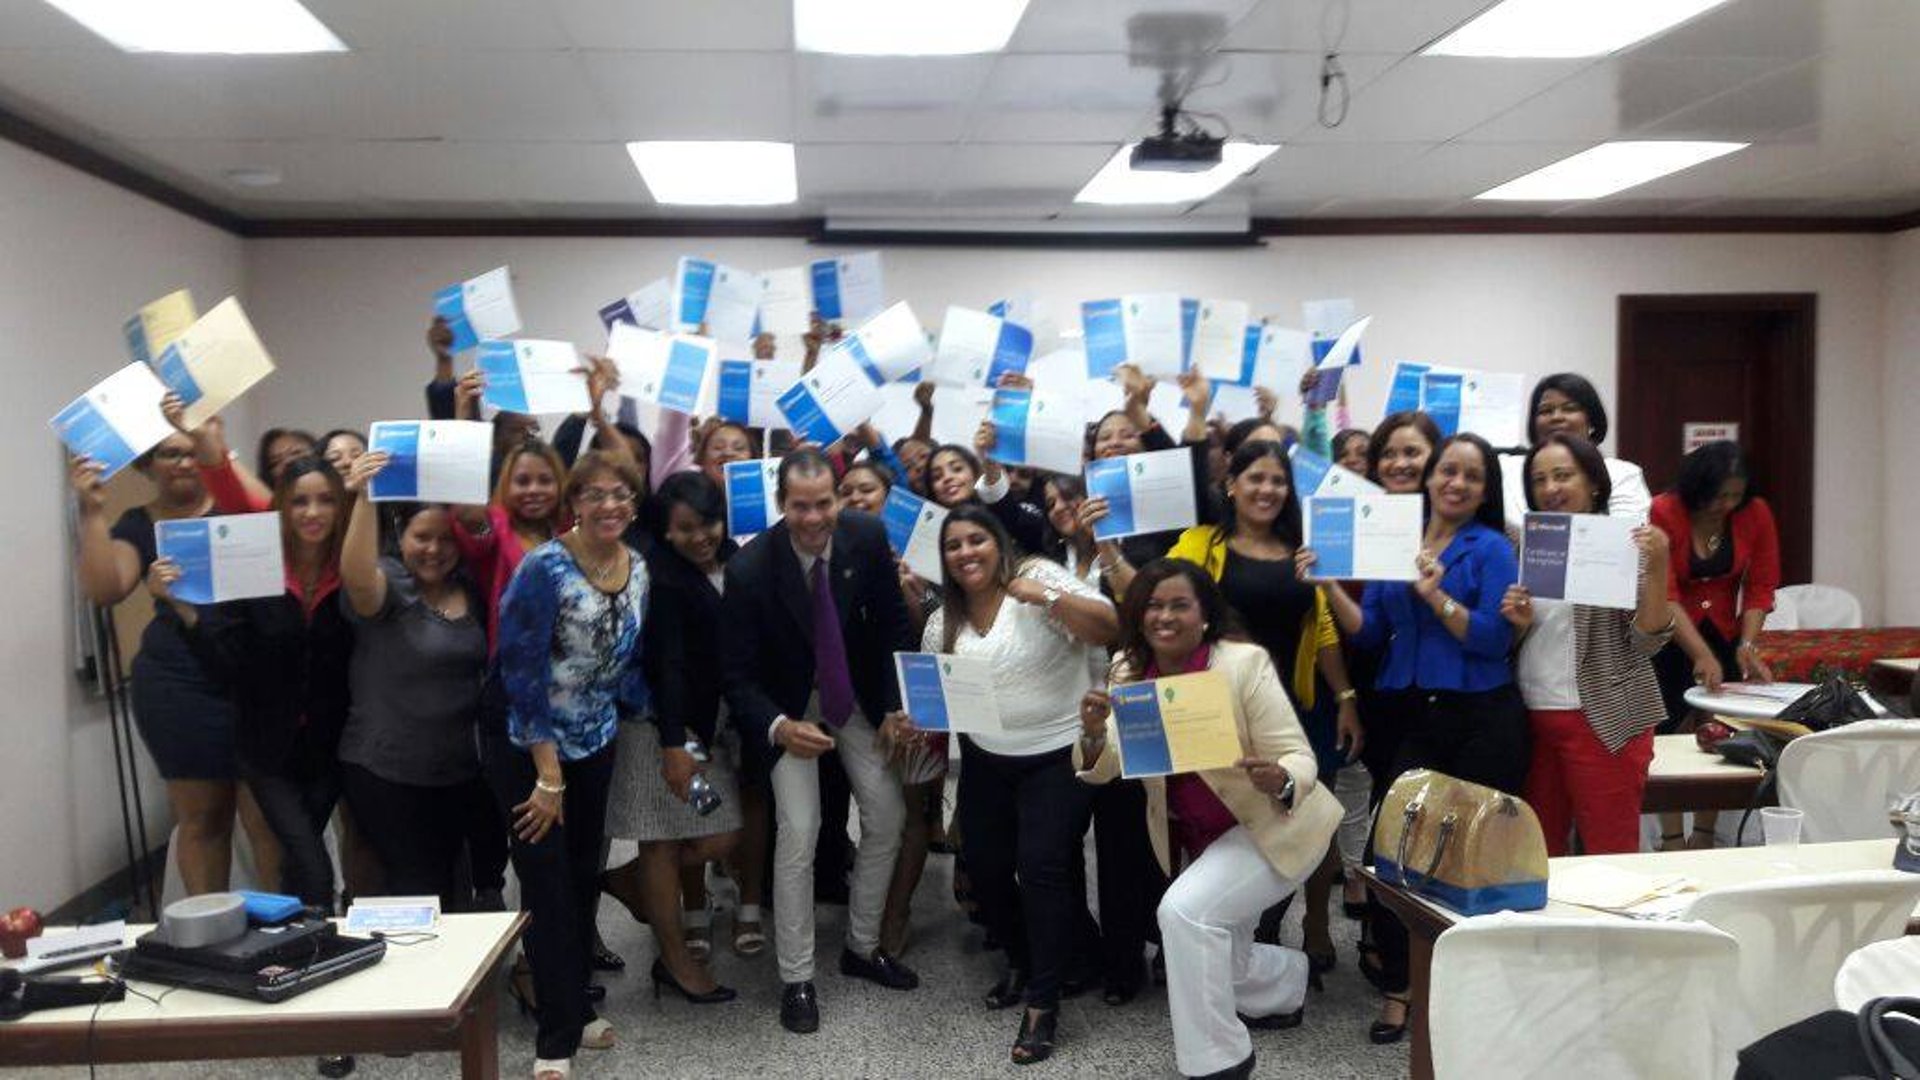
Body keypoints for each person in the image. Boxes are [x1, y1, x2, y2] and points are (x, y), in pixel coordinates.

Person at [1076, 560, 1341, 1080]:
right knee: (1218, 954)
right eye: (1153, 605)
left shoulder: (1241, 663)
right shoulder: (1129, 671)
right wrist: (1090, 733)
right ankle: (1288, 982)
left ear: (1204, 616)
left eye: (1180, 604)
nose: (1165, 616)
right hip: (1204, 839)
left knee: (1182, 915)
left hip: (1272, 828)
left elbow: (1299, 757)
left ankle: (1219, 1062)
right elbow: (1107, 763)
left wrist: (1281, 777)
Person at [1306, 431, 1525, 1045]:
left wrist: (1436, 596)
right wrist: (1326, 584)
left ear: (1485, 491)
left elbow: (1490, 639)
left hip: (1482, 714)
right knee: (1391, 851)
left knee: (1474, 857)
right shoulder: (1396, 538)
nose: (1455, 483)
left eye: (1471, 477)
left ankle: (1470, 990)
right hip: (1418, 714)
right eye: (1447, 471)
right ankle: (1402, 986)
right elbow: (1371, 631)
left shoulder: (1492, 549)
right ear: (1430, 477)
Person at [903, 506, 1117, 1064]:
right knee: (988, 870)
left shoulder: (1040, 578)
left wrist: (1044, 599)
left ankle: (1043, 1005)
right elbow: (936, 704)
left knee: (1041, 867)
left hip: (1058, 754)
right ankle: (1025, 960)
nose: (966, 552)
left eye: (977, 540)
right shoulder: (940, 620)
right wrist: (912, 716)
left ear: (998, 544)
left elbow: (1109, 626)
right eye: (954, 545)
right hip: (986, 759)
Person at [721, 449, 919, 1035]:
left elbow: (891, 626)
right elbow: (736, 675)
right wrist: (780, 727)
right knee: (800, 831)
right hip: (787, 708)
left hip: (850, 692)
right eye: (800, 506)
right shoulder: (751, 568)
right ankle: (797, 976)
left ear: (839, 498)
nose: (814, 518)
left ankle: (861, 947)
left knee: (887, 814)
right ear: (782, 504)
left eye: (824, 503)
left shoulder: (865, 535)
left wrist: (891, 705)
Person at [1165, 440, 1364, 980]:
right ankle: (1234, 929)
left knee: (1306, 816)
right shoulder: (1203, 544)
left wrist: (1345, 697)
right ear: (1231, 484)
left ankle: (1314, 923)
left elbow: (1321, 628)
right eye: (1255, 478)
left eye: (1278, 480)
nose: (1267, 489)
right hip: (1220, 706)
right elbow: (1163, 606)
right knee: (1224, 816)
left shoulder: (1303, 548)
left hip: (1298, 706)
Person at [485, 450, 649, 1078]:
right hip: (527, 745)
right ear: (573, 502)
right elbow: (521, 680)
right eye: (596, 494)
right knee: (547, 886)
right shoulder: (542, 568)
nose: (610, 505)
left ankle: (577, 1005)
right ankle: (555, 1038)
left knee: (583, 877)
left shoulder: (637, 568)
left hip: (596, 739)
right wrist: (548, 776)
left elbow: (622, 661)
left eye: (622, 495)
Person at [68, 422, 278, 895]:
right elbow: (105, 588)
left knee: (268, 817)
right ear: (147, 465)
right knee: (204, 820)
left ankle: (282, 939)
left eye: (189, 452)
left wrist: (219, 451)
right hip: (179, 685)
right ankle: (213, 940)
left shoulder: (235, 507)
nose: (182, 462)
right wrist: (92, 511)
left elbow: (276, 519)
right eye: (167, 454)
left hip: (255, 677)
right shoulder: (139, 524)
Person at [176, 457, 353, 909]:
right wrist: (184, 609)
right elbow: (225, 659)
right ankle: (315, 947)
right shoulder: (257, 570)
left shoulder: (352, 570)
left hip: (331, 748)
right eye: (299, 502)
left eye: (325, 500)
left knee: (301, 861)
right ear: (280, 509)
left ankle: (301, 956)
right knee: (314, 866)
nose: (312, 512)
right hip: (266, 750)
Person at [602, 471, 744, 1004]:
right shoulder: (663, 579)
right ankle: (675, 960)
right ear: (664, 531)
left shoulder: (731, 559)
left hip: (702, 725)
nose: (700, 535)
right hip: (661, 729)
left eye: (708, 521)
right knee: (666, 840)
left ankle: (625, 881)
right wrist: (672, 747)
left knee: (720, 834)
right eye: (685, 528)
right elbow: (668, 666)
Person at [1500, 434, 1675, 856]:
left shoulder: (1624, 543)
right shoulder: (1525, 544)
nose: (1550, 488)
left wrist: (1658, 567)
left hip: (1604, 716)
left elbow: (1647, 640)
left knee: (1609, 852)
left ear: (1594, 482)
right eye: (1539, 479)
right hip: (1532, 717)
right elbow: (1514, 639)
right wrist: (1517, 623)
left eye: (1563, 476)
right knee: (1538, 856)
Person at [335, 456, 495, 908]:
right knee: (421, 888)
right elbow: (358, 578)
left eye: (446, 539)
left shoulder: (471, 588)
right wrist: (366, 498)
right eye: (422, 537)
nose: (434, 549)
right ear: (400, 538)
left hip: (457, 771)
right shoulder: (391, 586)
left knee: (454, 886)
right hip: (387, 771)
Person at [1649, 439, 1780, 850]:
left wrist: (1747, 643)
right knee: (1665, 734)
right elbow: (1665, 592)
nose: (1725, 504)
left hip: (1724, 632)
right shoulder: (1665, 510)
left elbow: (1760, 585)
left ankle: (1704, 834)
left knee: (1719, 735)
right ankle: (1670, 838)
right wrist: (1700, 654)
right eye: (1718, 495)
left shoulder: (1755, 514)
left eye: (1735, 496)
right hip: (1672, 635)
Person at [1501, 373, 1651, 527]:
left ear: (1592, 420)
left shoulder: (1622, 473)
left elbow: (1627, 535)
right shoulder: (1505, 468)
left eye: (1570, 409)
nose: (1556, 417)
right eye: (1546, 411)